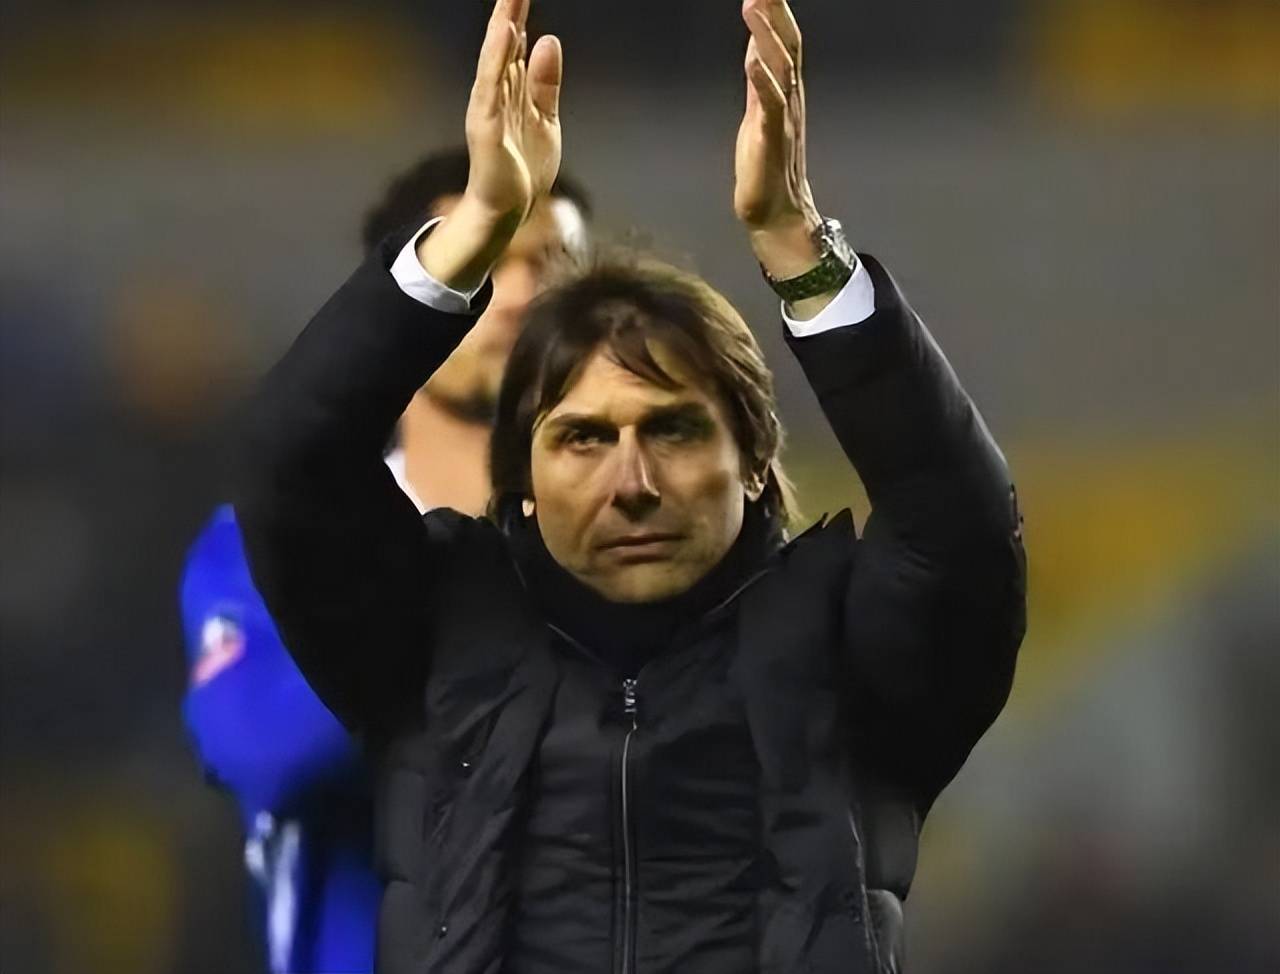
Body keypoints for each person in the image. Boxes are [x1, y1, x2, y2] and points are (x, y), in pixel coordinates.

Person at [235, 0, 1029, 971]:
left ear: (753, 456)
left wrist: (798, 250)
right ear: (521, 480)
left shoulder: (855, 644)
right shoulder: (429, 631)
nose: (633, 482)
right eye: (582, 438)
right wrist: (474, 229)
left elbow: (962, 530)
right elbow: (290, 467)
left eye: (673, 428)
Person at [179, 148, 592, 974]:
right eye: (488, 257)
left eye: (553, 264)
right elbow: (262, 750)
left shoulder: (645, 541)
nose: (520, 295)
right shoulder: (265, 543)